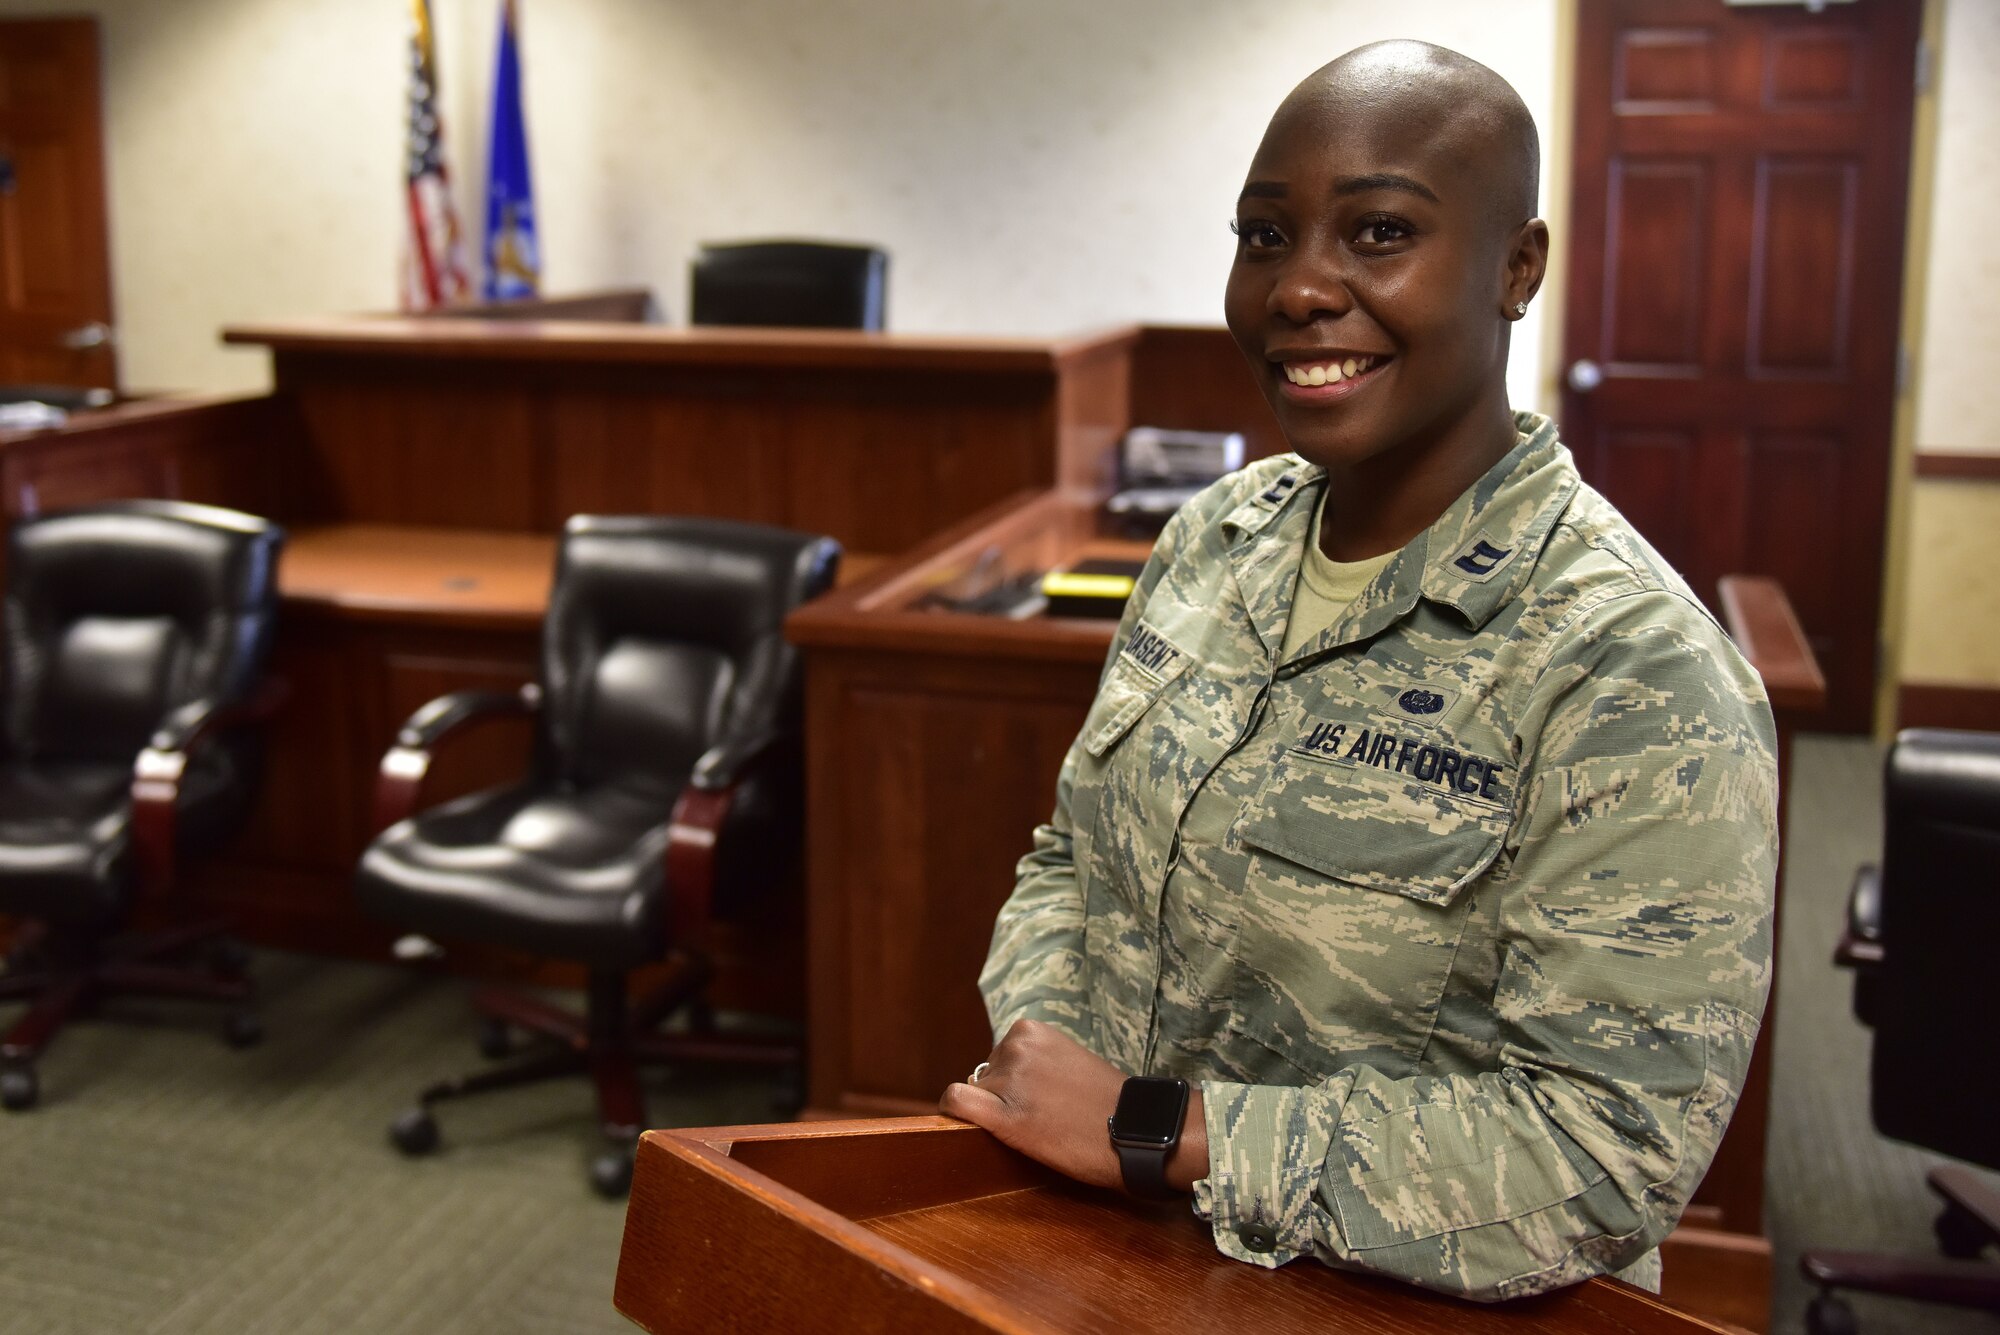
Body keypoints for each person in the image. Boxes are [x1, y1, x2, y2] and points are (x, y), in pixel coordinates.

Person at [939, 39, 1778, 1302]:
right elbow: (1070, 858)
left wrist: (1155, 1131)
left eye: (1378, 233)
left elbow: (1605, 1155)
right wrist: (1043, 1052)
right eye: (1264, 236)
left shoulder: (1630, 667)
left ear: (1515, 267)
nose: (1299, 289)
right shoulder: (1208, 542)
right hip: (1109, 1258)